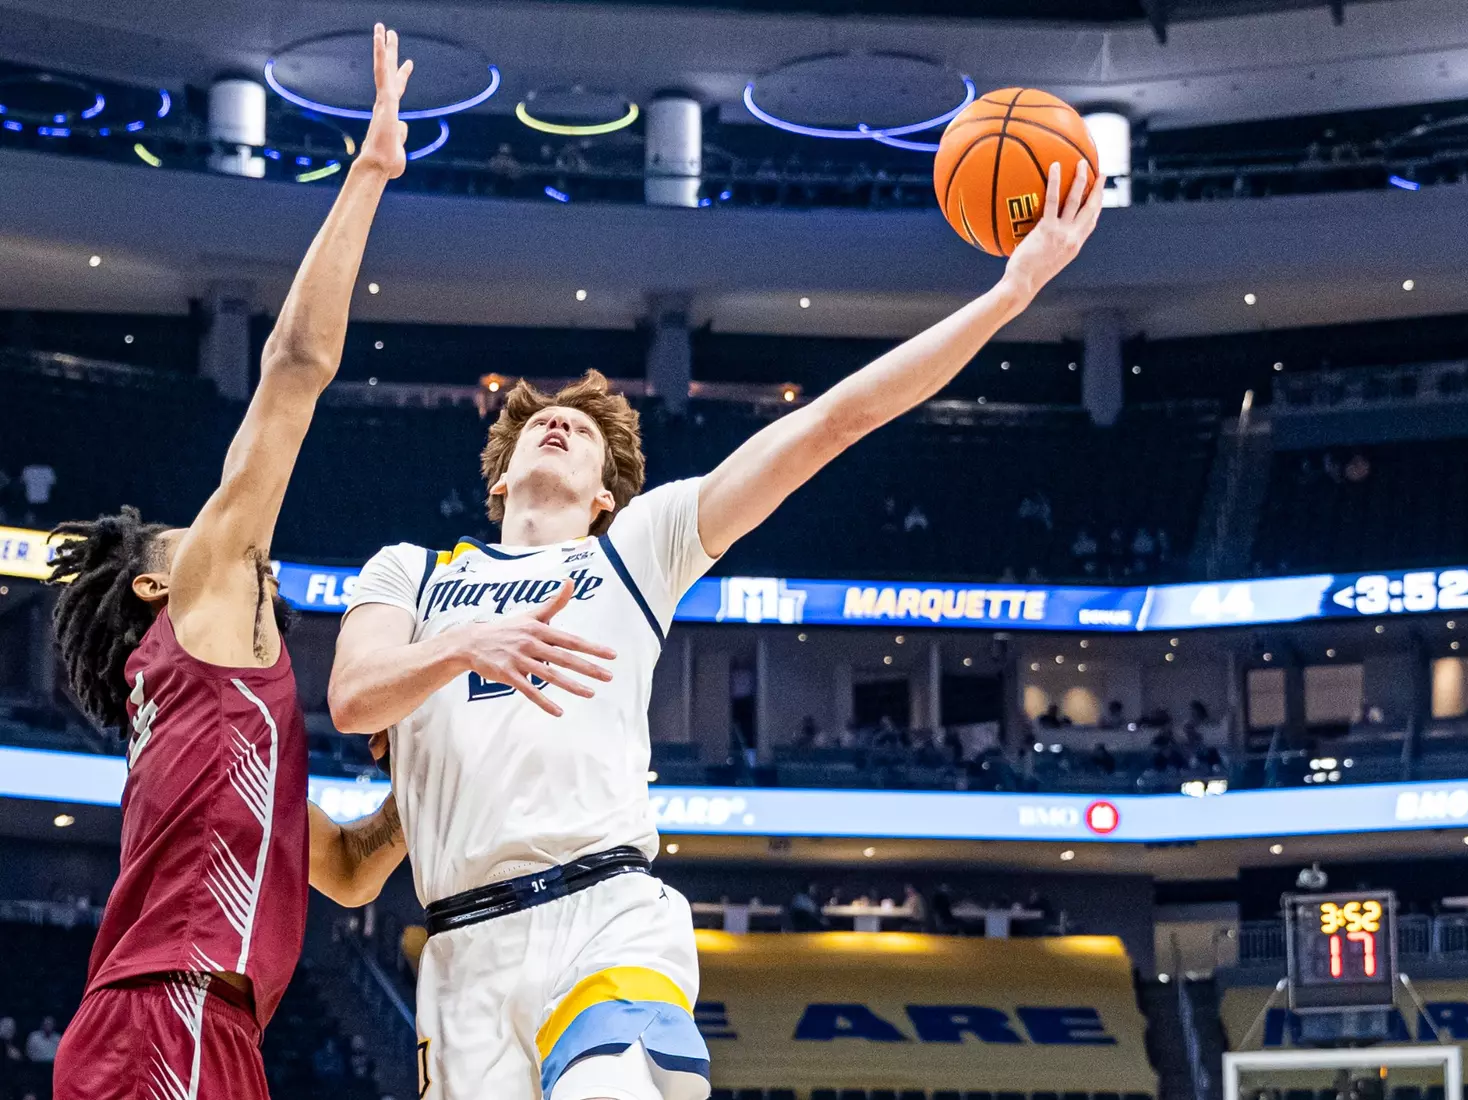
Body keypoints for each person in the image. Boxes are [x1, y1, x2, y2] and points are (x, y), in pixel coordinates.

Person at [327, 157, 1103, 1100]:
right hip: (460, 952)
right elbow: (352, 697)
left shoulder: (635, 552)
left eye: (582, 431)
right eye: (544, 425)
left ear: (608, 497)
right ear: (499, 476)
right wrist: (465, 646)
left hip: (604, 913)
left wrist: (1011, 294)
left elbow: (831, 423)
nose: (561, 427)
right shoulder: (409, 572)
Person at [45, 28, 423, 1100]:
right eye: (192, 534)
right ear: (159, 588)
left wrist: (439, 772)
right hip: (169, 1009)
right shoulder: (196, 625)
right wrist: (368, 173)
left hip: (206, 1026)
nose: (221, 532)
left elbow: (346, 870)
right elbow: (297, 367)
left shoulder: (237, 734)